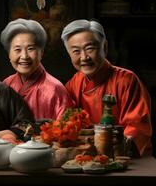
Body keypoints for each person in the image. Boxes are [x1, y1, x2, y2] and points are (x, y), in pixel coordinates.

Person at [61, 19, 152, 156]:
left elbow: (138, 126)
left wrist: (111, 146)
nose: (84, 57)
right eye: (76, 51)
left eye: (90, 48)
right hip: (87, 156)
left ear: (105, 47)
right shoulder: (73, 83)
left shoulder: (126, 80)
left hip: (126, 156)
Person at [0, 18, 74, 120]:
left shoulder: (55, 89)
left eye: (30, 49)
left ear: (41, 53)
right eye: (17, 50)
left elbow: (67, 130)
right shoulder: (6, 84)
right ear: (9, 54)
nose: (24, 56)